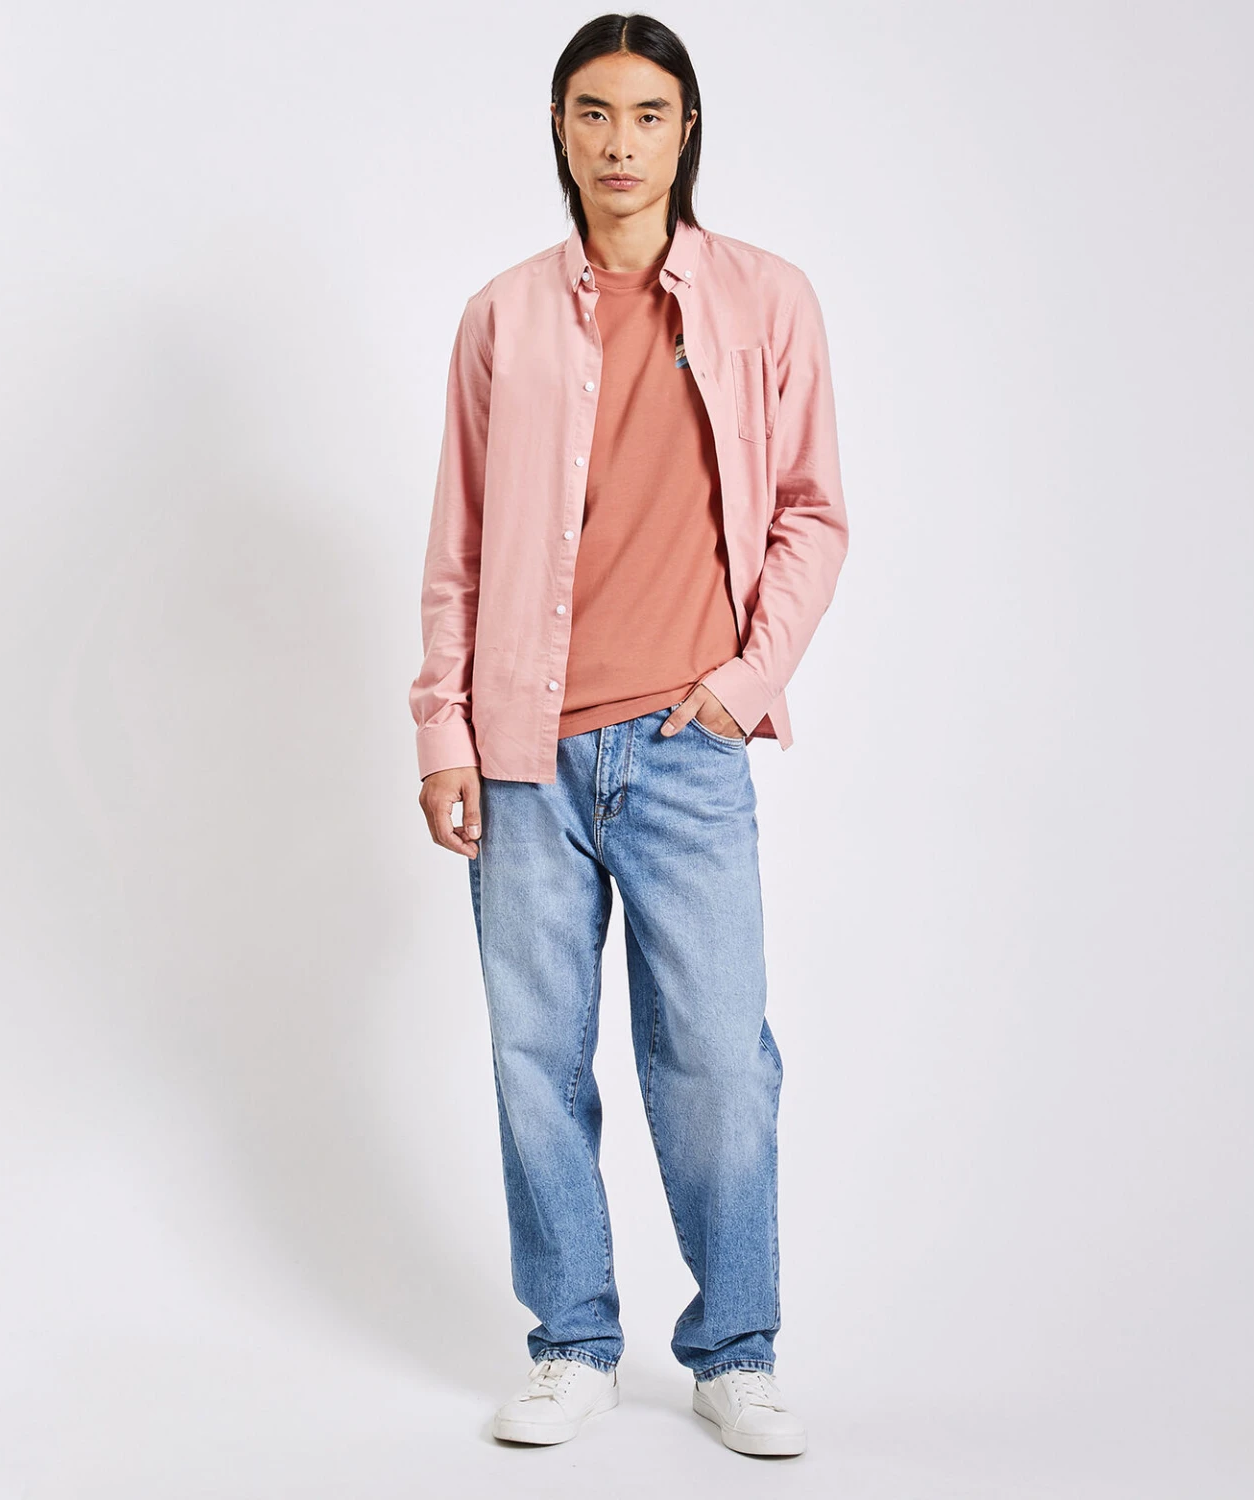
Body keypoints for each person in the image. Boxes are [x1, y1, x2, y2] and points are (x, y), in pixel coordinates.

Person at [409, 12, 848, 1458]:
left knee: (718, 1060)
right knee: (535, 1058)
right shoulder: (502, 317)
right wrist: (443, 729)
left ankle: (737, 1347)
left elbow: (811, 513)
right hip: (523, 755)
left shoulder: (766, 299)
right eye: (593, 112)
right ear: (560, 128)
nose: (619, 141)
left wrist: (743, 683)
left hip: (686, 746)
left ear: (686, 130)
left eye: (648, 114)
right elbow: (459, 546)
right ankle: (571, 1342)